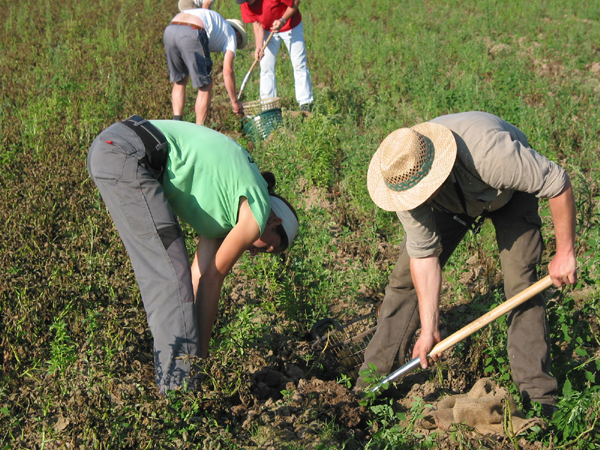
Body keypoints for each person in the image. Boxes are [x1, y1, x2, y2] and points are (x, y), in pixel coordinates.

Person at [359, 111, 577, 414]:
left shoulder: (492, 156)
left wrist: (565, 252)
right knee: (403, 280)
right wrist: (429, 328)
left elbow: (557, 182)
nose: (415, 199)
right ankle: (369, 385)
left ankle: (539, 400)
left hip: (509, 194)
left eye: (419, 192)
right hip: (450, 201)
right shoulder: (404, 180)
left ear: (435, 173)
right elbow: (423, 255)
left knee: (520, 282)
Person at [87, 115, 299, 394]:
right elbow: (214, 279)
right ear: (275, 222)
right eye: (269, 248)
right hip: (128, 154)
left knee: (176, 277)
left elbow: (198, 278)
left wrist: (198, 350)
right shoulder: (257, 211)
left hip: (119, 148)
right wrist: (202, 357)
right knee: (168, 278)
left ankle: (182, 379)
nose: (259, 253)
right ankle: (180, 394)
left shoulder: (226, 214)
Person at [163, 8, 248, 125]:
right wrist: (234, 102)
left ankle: (176, 123)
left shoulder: (219, 24)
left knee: (180, 80)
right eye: (239, 42)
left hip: (170, 29)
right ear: (238, 34)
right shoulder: (232, 35)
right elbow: (227, 71)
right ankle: (200, 130)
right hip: (192, 30)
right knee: (205, 86)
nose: (236, 46)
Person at [237, 0, 313, 111]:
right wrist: (259, 46)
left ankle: (305, 103)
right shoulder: (245, 3)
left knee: (299, 64)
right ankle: (268, 106)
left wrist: (282, 20)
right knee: (266, 67)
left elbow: (295, 2)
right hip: (268, 30)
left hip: (291, 26)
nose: (247, 3)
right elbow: (257, 24)